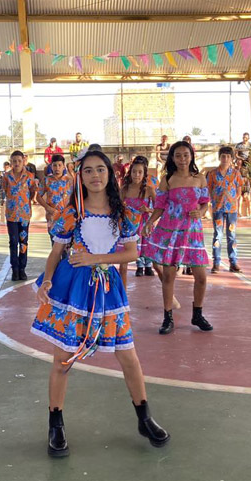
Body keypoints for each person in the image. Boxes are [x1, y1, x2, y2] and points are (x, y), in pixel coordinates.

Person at [32, 150, 169, 458]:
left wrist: (97, 259)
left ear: (110, 174)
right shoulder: (71, 213)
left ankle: (144, 418)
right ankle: (56, 424)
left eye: (100, 170)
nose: (95, 175)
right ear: (80, 177)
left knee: (129, 358)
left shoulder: (123, 214)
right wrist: (47, 281)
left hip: (108, 291)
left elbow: (132, 253)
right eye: (88, 171)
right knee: (63, 360)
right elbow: (55, 253)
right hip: (73, 291)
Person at [142, 141, 213, 335]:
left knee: (201, 277)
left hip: (193, 233)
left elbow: (205, 203)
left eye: (186, 155)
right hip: (170, 231)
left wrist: (201, 211)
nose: (182, 159)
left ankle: (197, 314)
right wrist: (150, 222)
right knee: (168, 276)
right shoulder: (168, 179)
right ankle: (168, 317)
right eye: (178, 155)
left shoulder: (200, 178)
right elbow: (160, 206)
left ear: (191, 156)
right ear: (172, 158)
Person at [118, 155, 157, 284]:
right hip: (128, 229)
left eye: (140, 172)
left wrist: (148, 210)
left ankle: (170, 295)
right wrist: (123, 209)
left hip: (144, 229)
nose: (136, 175)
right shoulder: (124, 190)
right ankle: (123, 299)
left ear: (144, 174)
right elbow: (116, 207)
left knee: (156, 263)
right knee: (123, 266)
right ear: (130, 173)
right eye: (134, 172)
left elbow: (159, 209)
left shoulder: (149, 190)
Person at [1, 151, 37, 281]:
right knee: (13, 242)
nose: (16, 163)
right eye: (14, 161)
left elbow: (33, 191)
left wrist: (27, 202)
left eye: (19, 161)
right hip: (11, 215)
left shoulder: (29, 176)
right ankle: (14, 269)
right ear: (10, 162)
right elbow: (4, 190)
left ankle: (22, 268)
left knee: (23, 242)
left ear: (23, 161)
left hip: (24, 215)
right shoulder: (6, 177)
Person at [206, 146, 242, 274]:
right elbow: (208, 190)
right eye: (223, 156)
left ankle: (233, 262)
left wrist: (233, 200)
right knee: (218, 235)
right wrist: (212, 202)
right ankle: (216, 262)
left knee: (231, 235)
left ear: (232, 158)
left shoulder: (236, 174)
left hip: (232, 210)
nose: (225, 159)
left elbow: (239, 190)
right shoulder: (212, 174)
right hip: (218, 209)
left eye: (228, 156)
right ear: (219, 157)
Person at [36, 154, 73, 240]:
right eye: (54, 165)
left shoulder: (69, 180)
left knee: (66, 245)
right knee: (54, 243)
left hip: (67, 216)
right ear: (51, 166)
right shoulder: (46, 180)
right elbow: (38, 197)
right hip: (52, 216)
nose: (57, 168)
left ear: (64, 166)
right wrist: (48, 208)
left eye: (59, 165)